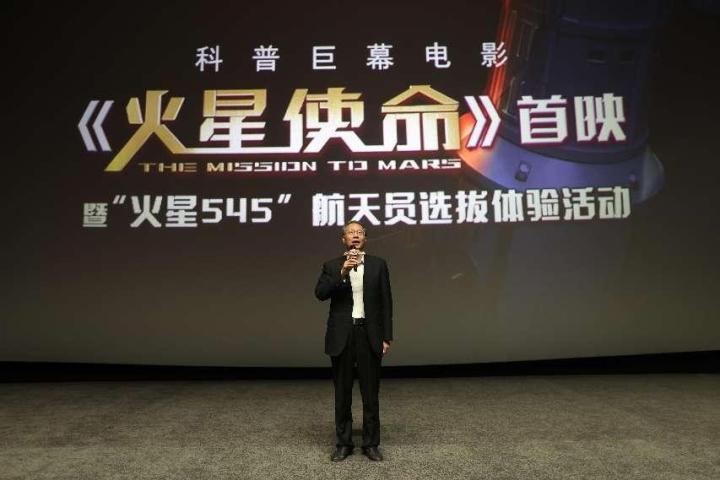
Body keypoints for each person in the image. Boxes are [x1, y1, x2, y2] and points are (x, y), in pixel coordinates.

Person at [314, 220, 393, 462]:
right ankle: (344, 443)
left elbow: (386, 303)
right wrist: (342, 272)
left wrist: (386, 336)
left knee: (370, 393)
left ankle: (371, 444)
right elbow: (320, 293)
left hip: (369, 334)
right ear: (343, 239)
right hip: (343, 335)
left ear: (365, 239)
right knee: (342, 393)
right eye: (351, 233)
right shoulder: (332, 265)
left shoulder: (378, 265)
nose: (355, 236)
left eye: (359, 232)